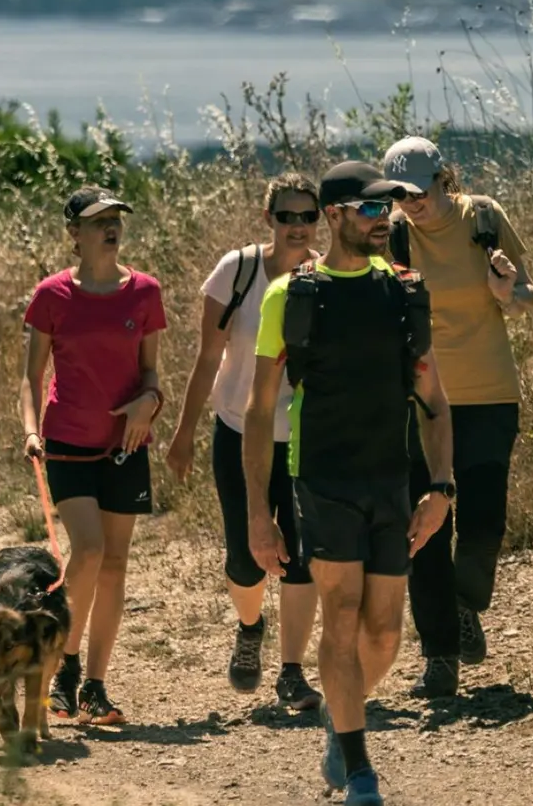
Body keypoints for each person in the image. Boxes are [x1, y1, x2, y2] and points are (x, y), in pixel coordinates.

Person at [244, 160, 456, 806]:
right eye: (369, 209)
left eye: (386, 208)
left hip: (389, 479)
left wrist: (441, 488)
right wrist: (259, 512)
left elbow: (434, 400)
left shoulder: (406, 293)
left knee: (385, 635)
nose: (383, 219)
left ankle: (342, 717)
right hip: (322, 478)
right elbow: (258, 410)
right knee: (339, 614)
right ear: (333, 216)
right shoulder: (293, 297)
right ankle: (361, 770)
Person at [380, 136, 533, 698]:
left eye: (419, 193)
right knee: (423, 530)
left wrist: (504, 290)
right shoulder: (394, 236)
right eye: (400, 196)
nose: (411, 204)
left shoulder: (485, 219)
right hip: (419, 403)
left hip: (490, 392)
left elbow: (524, 296)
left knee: (484, 524)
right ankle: (440, 655)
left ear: (444, 180)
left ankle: (467, 604)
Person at [165, 172, 324, 710]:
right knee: (245, 557)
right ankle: (250, 626)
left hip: (304, 437)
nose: (298, 225)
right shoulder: (236, 272)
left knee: (302, 555)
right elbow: (207, 359)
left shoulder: (324, 278)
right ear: (269, 219)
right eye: (287, 216)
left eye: (308, 215)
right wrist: (184, 433)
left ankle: (293, 671)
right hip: (237, 429)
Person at [19, 186, 168, 728]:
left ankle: (94, 687)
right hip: (67, 443)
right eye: (98, 220)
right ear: (74, 234)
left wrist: (148, 404)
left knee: (116, 563)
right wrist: (29, 430)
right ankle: (66, 662)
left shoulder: (145, 292)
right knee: (86, 551)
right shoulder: (51, 296)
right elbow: (31, 378)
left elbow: (152, 375)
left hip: (127, 446)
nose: (111, 228)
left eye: (116, 220)